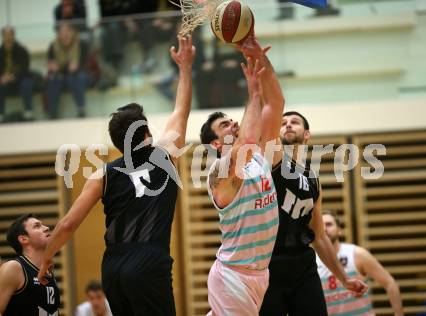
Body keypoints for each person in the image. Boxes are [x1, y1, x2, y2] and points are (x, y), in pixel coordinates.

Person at [38, 35, 195, 316]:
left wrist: (46, 257)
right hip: (149, 261)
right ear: (146, 134)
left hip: (112, 267)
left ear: (117, 144)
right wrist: (185, 68)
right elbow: (181, 110)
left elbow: (68, 224)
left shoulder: (103, 174)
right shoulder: (164, 156)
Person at [199, 32, 285, 314]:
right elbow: (246, 142)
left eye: (231, 119)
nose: (233, 122)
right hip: (233, 276)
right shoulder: (219, 172)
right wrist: (254, 92)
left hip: (259, 274)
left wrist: (260, 57)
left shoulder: (259, 155)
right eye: (224, 125)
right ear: (214, 143)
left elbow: (276, 105)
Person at [259, 111, 368, 315]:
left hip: (302, 264)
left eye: (294, 122)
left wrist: (344, 278)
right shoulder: (272, 160)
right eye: (282, 123)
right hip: (268, 264)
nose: (288, 125)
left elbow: (319, 236)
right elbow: (268, 114)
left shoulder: (312, 177)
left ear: (307, 134)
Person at [317, 211, 403, 316]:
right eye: (321, 226)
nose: (325, 229)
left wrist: (399, 313)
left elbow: (390, 283)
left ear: (339, 230)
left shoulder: (357, 254)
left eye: (329, 224)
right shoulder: (311, 261)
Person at [0, 214, 60, 315]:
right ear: (24, 239)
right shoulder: (14, 267)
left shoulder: (48, 272)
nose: (46, 228)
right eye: (37, 226)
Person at [46, 23, 90, 119]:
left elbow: (86, 63)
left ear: (73, 32)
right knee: (53, 79)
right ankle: (52, 112)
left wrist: (77, 67)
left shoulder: (81, 44)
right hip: (62, 76)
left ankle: (81, 109)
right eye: (61, 32)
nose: (64, 35)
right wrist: (53, 67)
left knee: (75, 77)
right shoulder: (53, 46)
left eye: (67, 32)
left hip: (81, 74)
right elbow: (52, 64)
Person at [0, 26, 34, 123]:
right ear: (2, 36)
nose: (8, 37)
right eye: (5, 35)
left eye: (10, 34)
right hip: (4, 81)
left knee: (27, 83)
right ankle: (1, 114)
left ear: (14, 35)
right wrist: (2, 78)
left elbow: (24, 68)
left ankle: (28, 112)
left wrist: (12, 76)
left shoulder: (22, 50)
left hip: (20, 79)